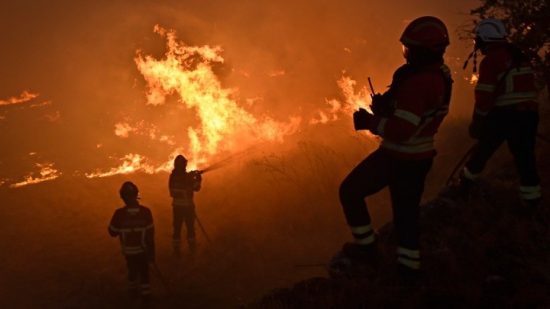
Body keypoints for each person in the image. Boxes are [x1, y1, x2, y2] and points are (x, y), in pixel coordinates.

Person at [332, 16, 453, 281]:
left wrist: (371, 122)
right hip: (418, 157)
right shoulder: (438, 74)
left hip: (400, 157)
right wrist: (387, 106)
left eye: (410, 48)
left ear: (423, 50)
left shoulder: (419, 83)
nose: (407, 54)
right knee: (406, 216)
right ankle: (409, 270)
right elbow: (415, 114)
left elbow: (401, 129)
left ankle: (368, 250)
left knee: (351, 191)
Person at [454, 18, 541, 207]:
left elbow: (484, 96)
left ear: (485, 39)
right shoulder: (519, 56)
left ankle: (465, 185)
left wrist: (477, 122)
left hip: (506, 116)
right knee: (525, 158)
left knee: (482, 152)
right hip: (529, 115)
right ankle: (532, 200)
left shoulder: (492, 60)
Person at [108, 181, 155, 300]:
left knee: (132, 271)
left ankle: (132, 295)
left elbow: (112, 232)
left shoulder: (119, 214)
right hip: (143, 251)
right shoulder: (145, 212)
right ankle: (146, 299)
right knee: (144, 273)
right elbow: (150, 235)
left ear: (122, 197)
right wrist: (152, 254)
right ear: (136, 194)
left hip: (129, 252)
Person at [169, 155, 202, 254]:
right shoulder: (187, 177)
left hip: (177, 207)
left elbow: (171, 192)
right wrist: (198, 179)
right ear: (183, 165)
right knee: (190, 228)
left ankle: (176, 251)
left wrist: (191, 176)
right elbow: (196, 188)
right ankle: (192, 249)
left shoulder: (173, 177)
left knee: (177, 229)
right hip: (188, 207)